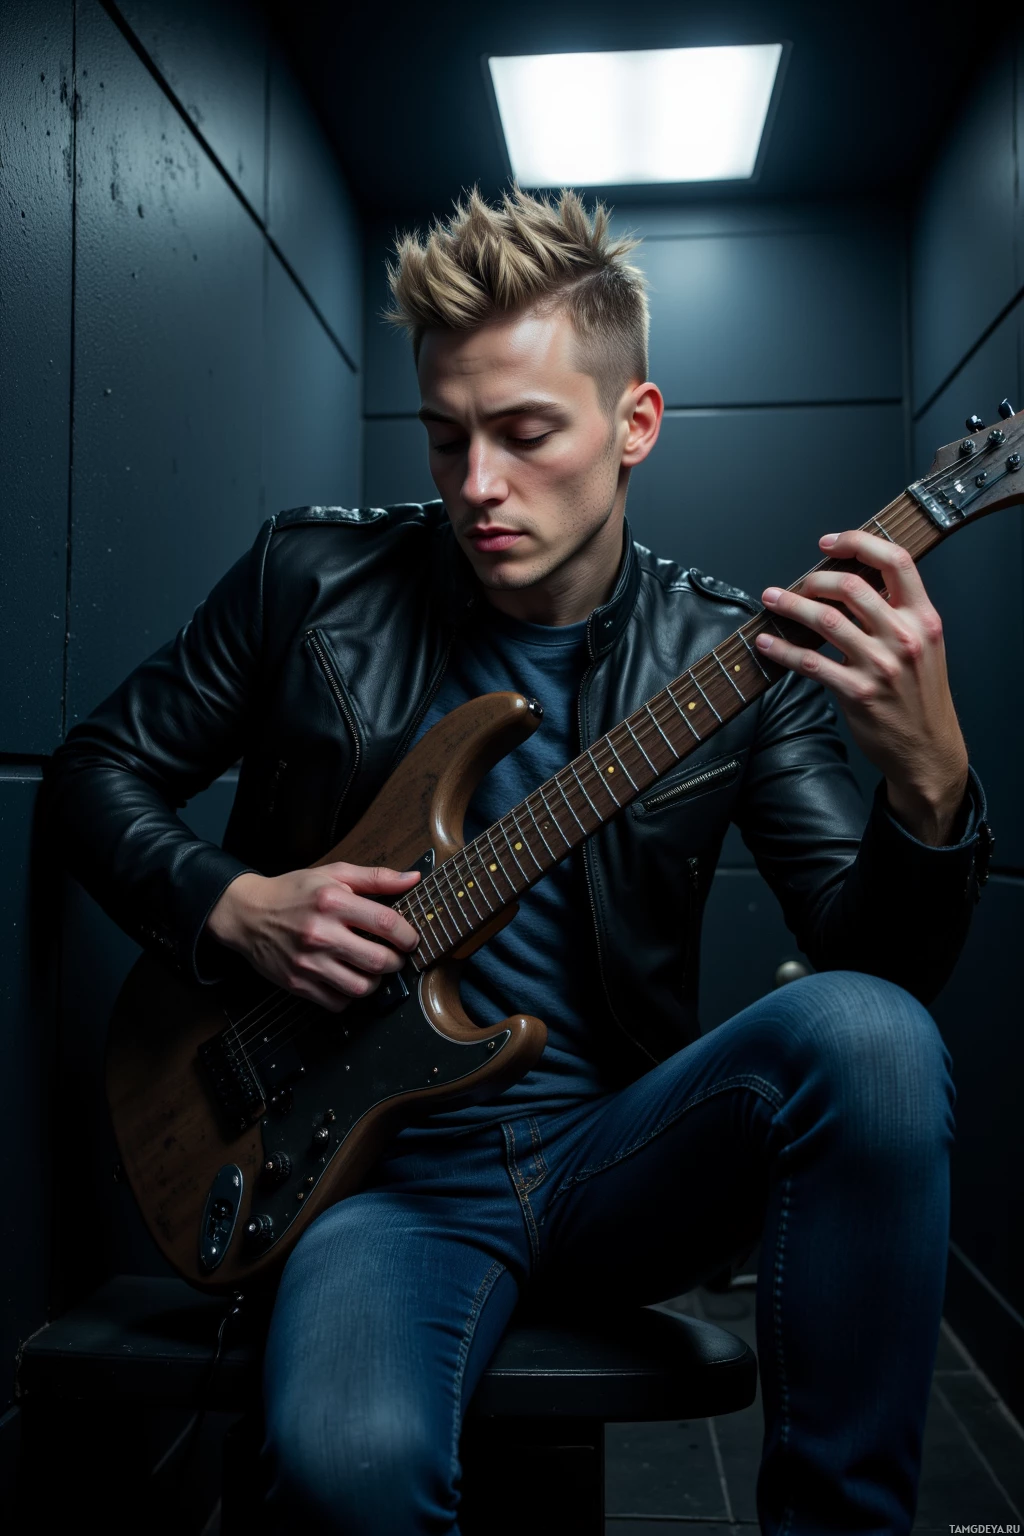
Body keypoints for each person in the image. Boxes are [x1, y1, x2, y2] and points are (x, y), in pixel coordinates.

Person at [46, 186, 993, 1534]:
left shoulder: (738, 661)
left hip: (620, 1156)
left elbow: (882, 974)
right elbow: (91, 777)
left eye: (526, 433)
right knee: (347, 1477)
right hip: (376, 1180)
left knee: (874, 1039)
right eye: (446, 438)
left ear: (633, 426)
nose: (477, 485)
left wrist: (930, 782)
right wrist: (235, 904)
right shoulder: (310, 583)